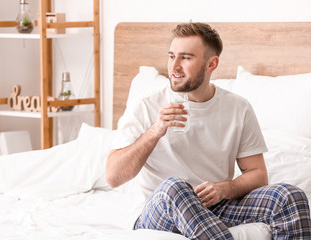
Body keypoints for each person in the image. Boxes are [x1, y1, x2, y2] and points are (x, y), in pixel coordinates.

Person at [106, 22, 311, 239]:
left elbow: (258, 175)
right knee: (175, 187)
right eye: (171, 56)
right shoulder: (145, 105)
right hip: (161, 212)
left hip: (216, 207)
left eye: (185, 58)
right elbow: (113, 177)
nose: (174, 66)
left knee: (290, 196)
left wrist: (224, 189)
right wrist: (155, 131)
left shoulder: (237, 108)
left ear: (211, 64)